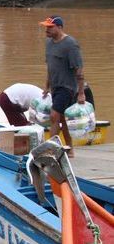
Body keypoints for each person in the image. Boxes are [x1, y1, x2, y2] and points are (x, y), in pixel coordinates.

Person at [41, 16, 86, 155]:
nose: (47, 30)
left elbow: (78, 69)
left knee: (54, 116)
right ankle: (69, 148)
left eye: (50, 27)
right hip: (55, 86)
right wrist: (47, 86)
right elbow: (50, 66)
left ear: (59, 27)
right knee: (63, 120)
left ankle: (50, 150)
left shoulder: (70, 44)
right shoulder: (49, 43)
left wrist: (81, 92)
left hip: (67, 87)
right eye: (46, 27)